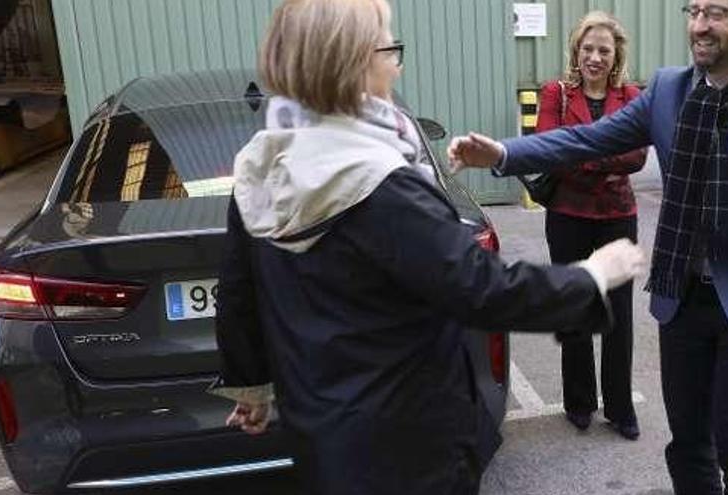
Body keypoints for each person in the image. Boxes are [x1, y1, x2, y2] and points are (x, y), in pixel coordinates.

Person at [213, 1, 645, 494]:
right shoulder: (379, 183)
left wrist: (252, 388)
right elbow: (483, 288)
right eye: (389, 47)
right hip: (405, 445)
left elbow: (239, 293)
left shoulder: (263, 164)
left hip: (320, 432)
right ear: (353, 62)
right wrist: (591, 275)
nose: (397, 62)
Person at [448, 1, 728, 493]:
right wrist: (503, 153)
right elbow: (587, 138)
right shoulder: (670, 90)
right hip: (682, 294)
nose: (698, 25)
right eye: (693, 10)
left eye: (714, 12)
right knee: (689, 442)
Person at [534, 11, 647, 441]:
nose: (595, 57)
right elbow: (550, 150)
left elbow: (637, 156)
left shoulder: (632, 96)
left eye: (604, 49)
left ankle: (620, 410)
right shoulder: (555, 94)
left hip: (618, 217)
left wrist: (580, 154)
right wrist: (606, 157)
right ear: (576, 51)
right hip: (568, 218)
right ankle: (579, 402)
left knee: (619, 313)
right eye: (588, 48)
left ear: (616, 54)